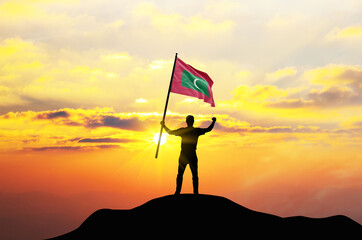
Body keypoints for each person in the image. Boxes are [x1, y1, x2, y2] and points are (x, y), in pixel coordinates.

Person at [161, 115, 216, 195]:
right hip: (188, 155)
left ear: (187, 122)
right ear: (192, 122)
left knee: (186, 174)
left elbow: (170, 132)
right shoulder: (195, 131)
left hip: (186, 155)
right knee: (188, 175)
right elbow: (208, 129)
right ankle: (189, 192)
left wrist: (163, 126)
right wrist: (213, 121)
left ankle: (183, 192)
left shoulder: (189, 131)